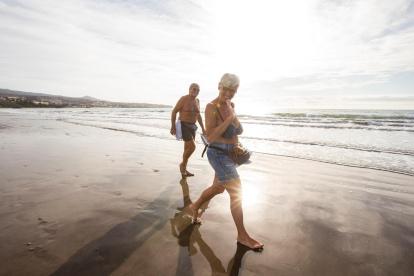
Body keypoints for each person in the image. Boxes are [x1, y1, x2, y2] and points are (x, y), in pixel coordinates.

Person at [188, 73, 264, 250]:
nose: (229, 94)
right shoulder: (210, 107)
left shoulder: (231, 105)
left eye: (233, 91)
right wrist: (229, 119)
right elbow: (211, 136)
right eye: (226, 89)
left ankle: (195, 205)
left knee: (219, 188)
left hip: (231, 155)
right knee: (236, 190)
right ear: (219, 86)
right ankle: (242, 236)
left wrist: (233, 115)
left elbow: (240, 130)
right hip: (218, 154)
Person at [170, 83, 206, 177]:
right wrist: (173, 126)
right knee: (192, 147)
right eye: (194, 89)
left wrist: (203, 128)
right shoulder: (184, 99)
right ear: (189, 89)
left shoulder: (197, 101)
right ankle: (182, 165)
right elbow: (174, 111)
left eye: (198, 90)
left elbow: (198, 116)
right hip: (183, 125)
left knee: (187, 148)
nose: (196, 91)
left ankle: (184, 169)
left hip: (193, 127)